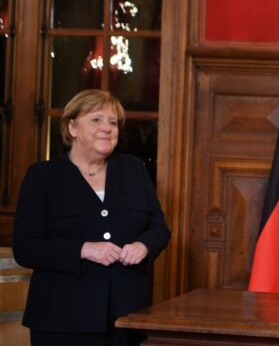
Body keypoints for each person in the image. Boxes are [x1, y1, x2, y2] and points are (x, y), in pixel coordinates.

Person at [12, 89, 171, 346]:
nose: (107, 128)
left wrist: (144, 245)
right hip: (62, 320)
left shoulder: (133, 169)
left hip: (128, 317)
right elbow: (25, 248)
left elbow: (158, 227)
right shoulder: (42, 177)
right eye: (96, 120)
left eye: (113, 122)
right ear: (72, 127)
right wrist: (83, 249)